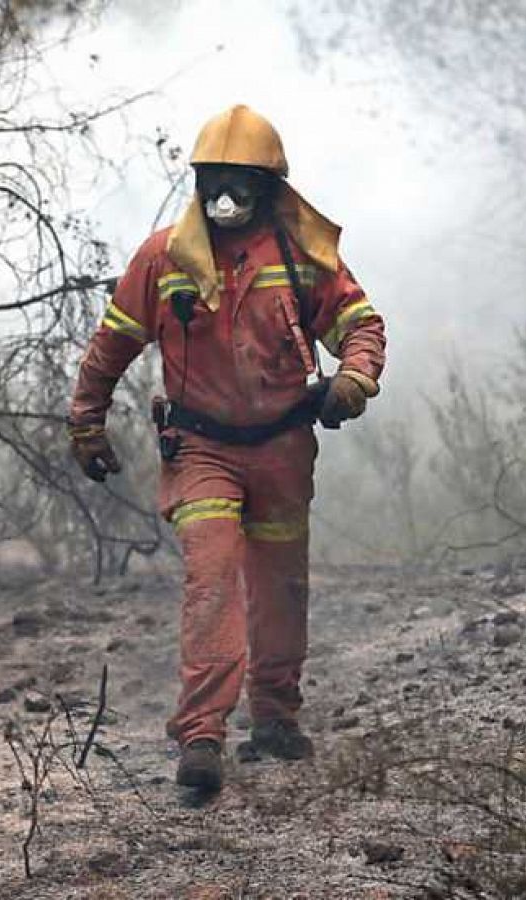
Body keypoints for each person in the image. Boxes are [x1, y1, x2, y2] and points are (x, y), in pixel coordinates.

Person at [67, 105, 387, 792]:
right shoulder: (163, 259)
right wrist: (86, 421)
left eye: (242, 180)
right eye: (216, 178)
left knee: (279, 587)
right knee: (211, 579)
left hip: (281, 448)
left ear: (269, 187)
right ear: (199, 180)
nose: (227, 194)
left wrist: (354, 380)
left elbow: (360, 324)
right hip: (200, 447)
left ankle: (274, 718)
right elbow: (112, 345)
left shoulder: (305, 260)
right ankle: (202, 740)